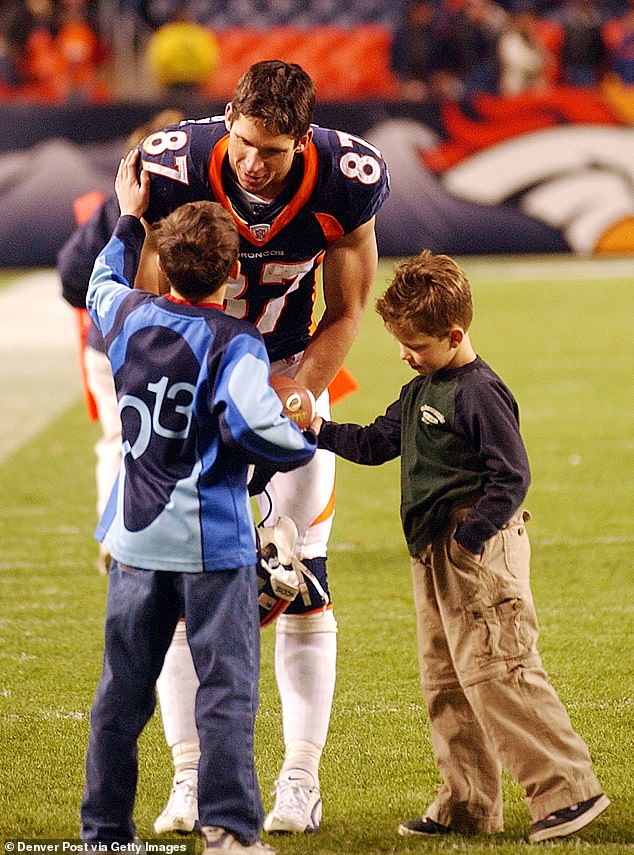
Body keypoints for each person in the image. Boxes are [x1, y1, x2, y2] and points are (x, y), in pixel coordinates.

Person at [135, 59, 390, 836]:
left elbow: (348, 308)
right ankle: (188, 778)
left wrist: (304, 384)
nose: (253, 163)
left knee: (302, 578)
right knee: (183, 595)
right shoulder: (177, 165)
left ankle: (300, 779)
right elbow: (147, 302)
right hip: (201, 393)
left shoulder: (346, 179)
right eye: (245, 143)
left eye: (273, 153)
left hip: (290, 384)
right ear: (229, 119)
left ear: (304, 140)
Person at [311, 250, 610, 844]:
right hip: (432, 552)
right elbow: (375, 442)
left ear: (454, 334)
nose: (405, 353)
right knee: (446, 678)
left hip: (475, 548)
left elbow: (512, 475)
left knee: (501, 670)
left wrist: (473, 540)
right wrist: (317, 431)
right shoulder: (423, 384)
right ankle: (467, 803)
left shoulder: (479, 392)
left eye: (416, 344)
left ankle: (568, 791)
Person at [80, 148, 317, 854]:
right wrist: (300, 443)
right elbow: (252, 424)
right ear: (232, 272)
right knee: (226, 692)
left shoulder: (122, 314)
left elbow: (101, 278)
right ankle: (230, 830)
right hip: (211, 545)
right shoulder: (235, 340)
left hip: (133, 541)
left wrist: (128, 217)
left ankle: (104, 833)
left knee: (121, 696)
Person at [58, 108, 185, 576]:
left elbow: (71, 273)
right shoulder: (190, 203)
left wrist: (106, 304)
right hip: (169, 341)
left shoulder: (118, 206)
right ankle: (152, 533)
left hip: (111, 340)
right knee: (168, 437)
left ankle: (117, 536)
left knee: (120, 439)